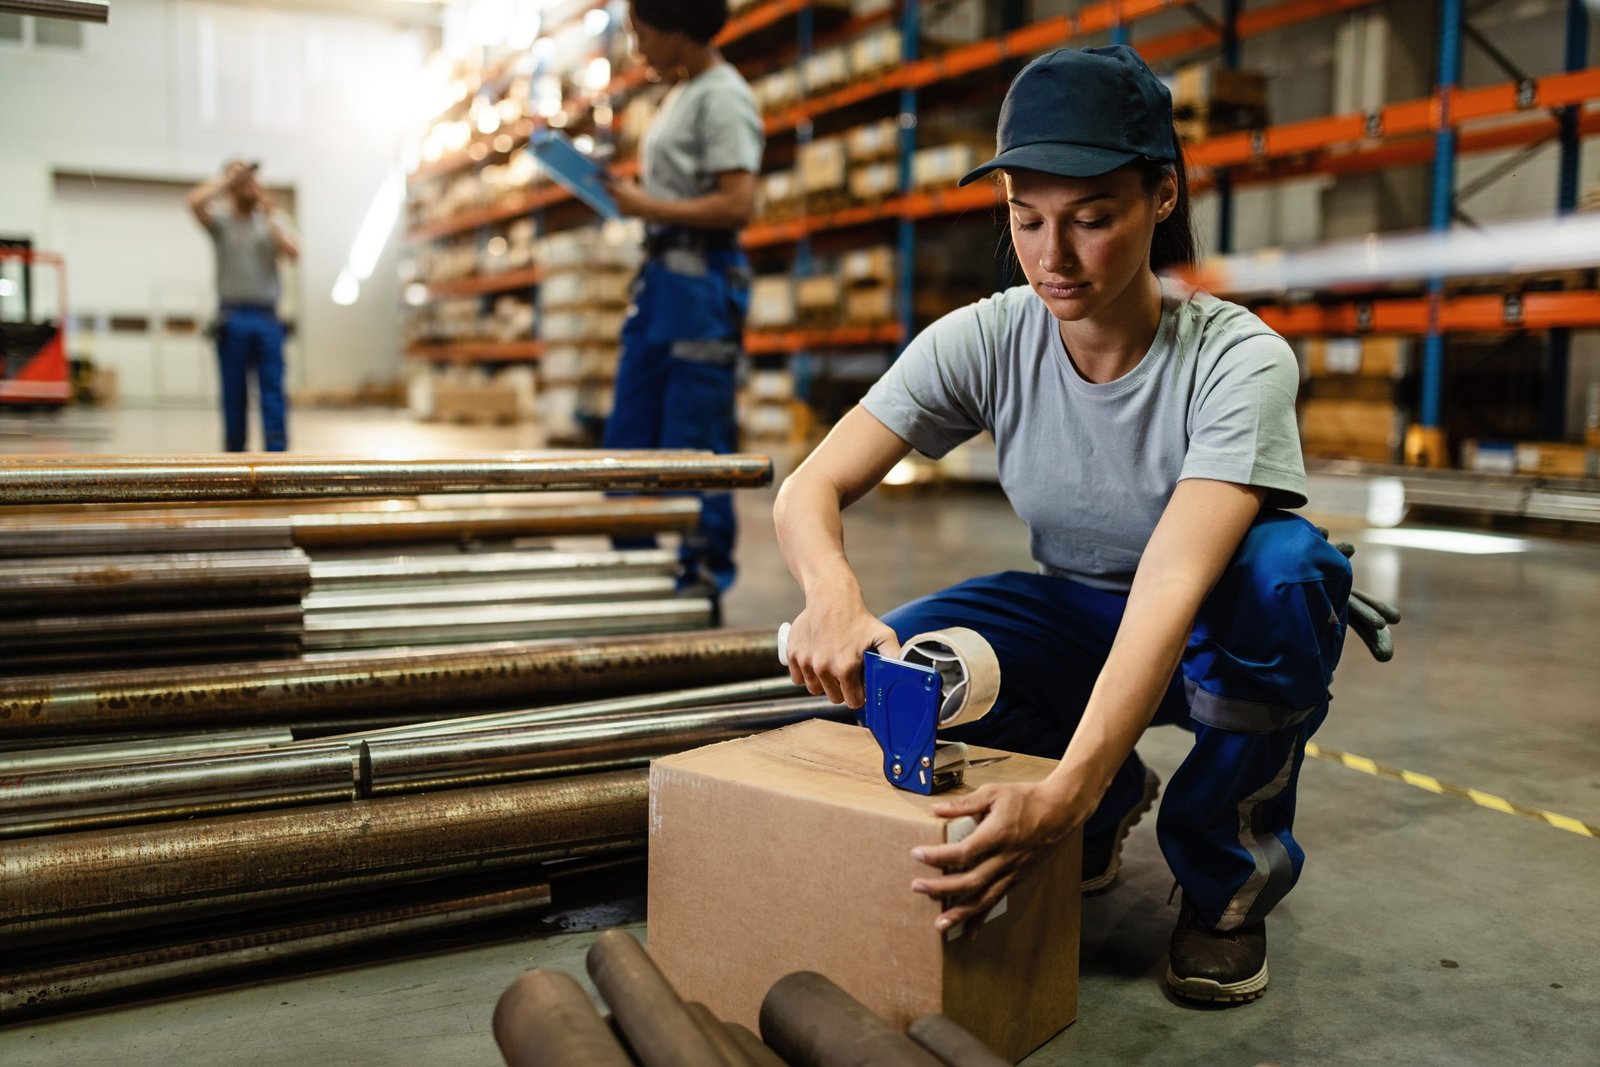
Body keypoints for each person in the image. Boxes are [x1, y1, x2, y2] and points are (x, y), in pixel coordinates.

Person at [774, 45, 1353, 1006]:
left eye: (1092, 219)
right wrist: (833, 598)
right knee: (910, 670)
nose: (1054, 256)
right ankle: (1115, 789)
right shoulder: (991, 336)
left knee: (1284, 571)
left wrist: (1060, 792)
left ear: (1160, 198)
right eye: (1026, 218)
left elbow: (1172, 583)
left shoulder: (1237, 360)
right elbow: (810, 486)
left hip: (1211, 626)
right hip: (1078, 623)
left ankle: (1222, 884)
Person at [602, 0, 763, 599]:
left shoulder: (723, 95)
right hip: (662, 284)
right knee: (628, 441)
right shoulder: (680, 92)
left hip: (699, 288)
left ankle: (698, 583)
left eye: (640, 32)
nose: (637, 45)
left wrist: (647, 206)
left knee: (696, 444)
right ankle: (639, 576)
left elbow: (737, 203)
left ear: (674, 26)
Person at [188, 159, 299, 452]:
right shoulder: (222, 224)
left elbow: (293, 251)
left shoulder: (272, 220)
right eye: (243, 182)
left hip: (267, 318)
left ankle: (277, 457)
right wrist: (229, 180)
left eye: (252, 180)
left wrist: (269, 211)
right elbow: (194, 202)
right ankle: (234, 458)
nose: (249, 185)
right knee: (233, 394)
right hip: (233, 317)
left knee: (273, 392)